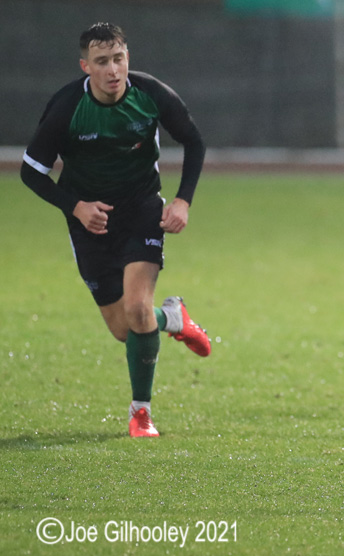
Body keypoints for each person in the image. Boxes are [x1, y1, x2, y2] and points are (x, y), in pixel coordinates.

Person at [20, 22, 211, 438]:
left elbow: (194, 142)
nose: (112, 69)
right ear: (85, 66)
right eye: (102, 61)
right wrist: (76, 207)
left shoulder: (151, 94)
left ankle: (141, 413)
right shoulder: (66, 107)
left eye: (118, 59)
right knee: (125, 329)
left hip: (142, 209)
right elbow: (30, 172)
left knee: (138, 309)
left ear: (128, 59)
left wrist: (182, 201)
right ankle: (173, 318)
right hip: (89, 221)